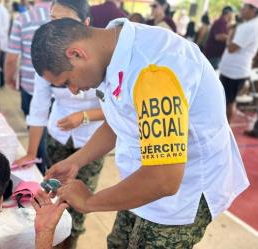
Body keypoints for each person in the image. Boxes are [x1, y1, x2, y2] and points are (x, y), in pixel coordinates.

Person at [31, 17, 249, 248]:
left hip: (177, 200)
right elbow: (121, 121)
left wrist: (89, 201)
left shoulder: (154, 71)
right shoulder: (110, 51)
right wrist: (76, 161)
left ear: (77, 54)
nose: (73, 91)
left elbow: (164, 179)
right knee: (118, 243)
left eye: (67, 82)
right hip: (140, 181)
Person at [13, 0, 104, 247]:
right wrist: (31, 153)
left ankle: (70, 241)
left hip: (94, 140)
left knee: (81, 201)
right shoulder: (49, 55)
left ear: (85, 24)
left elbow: (117, 111)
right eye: (53, 20)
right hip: (60, 135)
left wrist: (84, 117)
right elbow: (39, 106)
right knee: (54, 194)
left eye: (64, 22)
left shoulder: (101, 58)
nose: (73, 90)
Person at [4, 0, 51, 174]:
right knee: (54, 133)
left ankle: (39, 171)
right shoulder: (64, 16)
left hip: (30, 85)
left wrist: (9, 78)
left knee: (36, 130)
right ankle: (52, 171)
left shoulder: (23, 19)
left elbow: (11, 58)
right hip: (61, 87)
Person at [218, 0, 258, 123]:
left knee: (227, 103)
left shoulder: (250, 27)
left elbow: (231, 48)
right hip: (235, 70)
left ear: (253, 10)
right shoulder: (250, 25)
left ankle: (225, 130)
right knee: (228, 102)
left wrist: (229, 37)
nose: (241, 9)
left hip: (234, 72)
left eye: (244, 7)